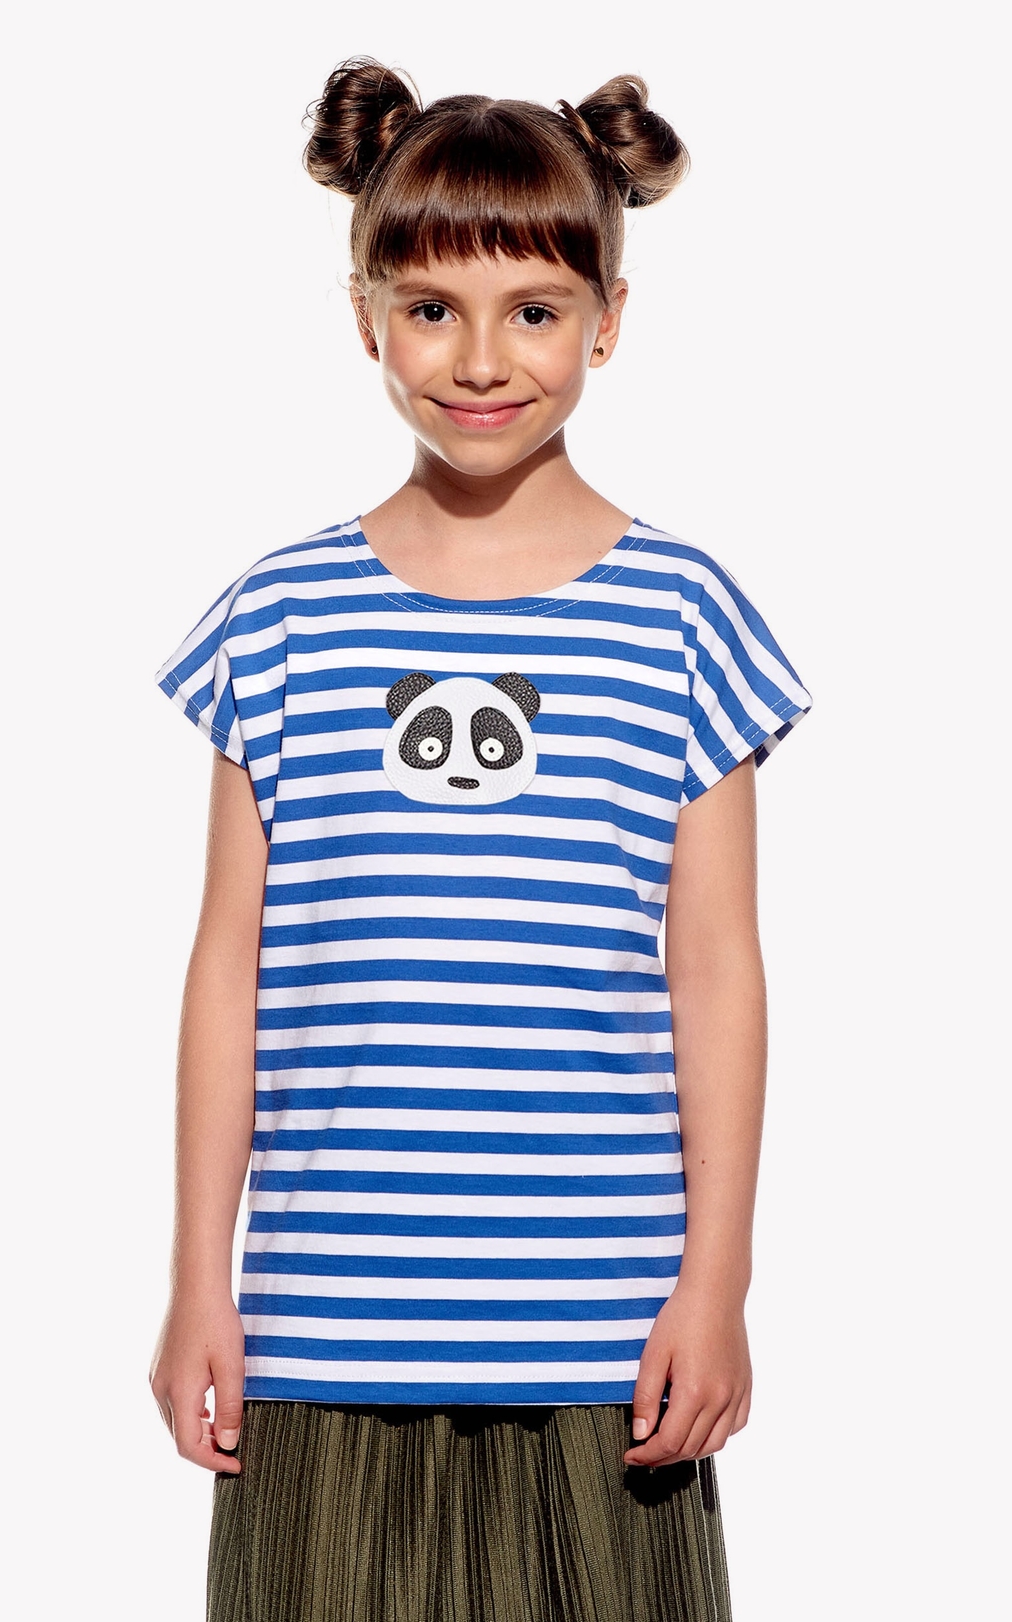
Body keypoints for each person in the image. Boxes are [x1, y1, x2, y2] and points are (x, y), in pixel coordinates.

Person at [149, 56, 811, 1622]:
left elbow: (714, 968)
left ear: (608, 319)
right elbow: (228, 962)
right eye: (431, 307)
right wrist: (195, 1280)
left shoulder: (682, 615)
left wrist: (717, 1277)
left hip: (603, 1335)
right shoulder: (282, 614)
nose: (479, 359)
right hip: (321, 1328)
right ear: (365, 317)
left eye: (532, 309)